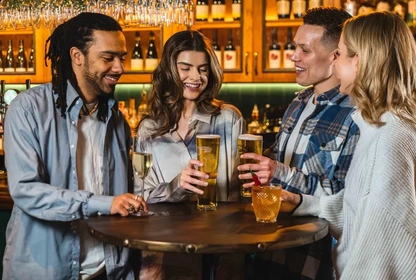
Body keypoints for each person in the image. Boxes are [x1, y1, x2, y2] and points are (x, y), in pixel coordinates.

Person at [281, 11, 416, 279]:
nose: (334, 63)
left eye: (338, 54)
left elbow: (380, 259)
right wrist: (305, 203)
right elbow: (365, 212)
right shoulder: (383, 126)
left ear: (358, 62)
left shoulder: (388, 140)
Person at [2, 13, 147, 280]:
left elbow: (131, 189)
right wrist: (104, 203)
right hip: (47, 271)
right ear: (77, 56)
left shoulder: (116, 119)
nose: (119, 68)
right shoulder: (29, 109)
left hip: (108, 269)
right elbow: (26, 190)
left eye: (122, 58)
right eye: (108, 58)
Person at [238, 7, 359, 280]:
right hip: (272, 248)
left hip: (317, 260)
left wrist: (279, 171)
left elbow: (344, 196)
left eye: (304, 50)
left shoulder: (356, 113)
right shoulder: (297, 103)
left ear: (335, 56)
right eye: (295, 47)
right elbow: (278, 163)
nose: (293, 56)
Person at [135, 30, 245, 279]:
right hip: (164, 247)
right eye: (185, 68)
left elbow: (239, 191)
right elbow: (141, 195)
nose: (196, 77)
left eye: (203, 69)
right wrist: (177, 186)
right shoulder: (149, 128)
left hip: (220, 246)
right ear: (169, 71)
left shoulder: (229, 119)